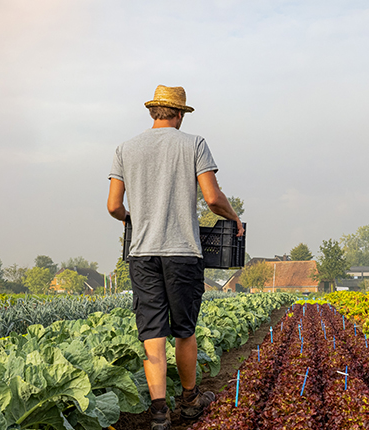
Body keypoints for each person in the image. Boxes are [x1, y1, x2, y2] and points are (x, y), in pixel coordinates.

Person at [107, 85, 243, 430]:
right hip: (182, 252)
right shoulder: (194, 144)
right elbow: (212, 198)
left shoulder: (125, 149)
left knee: (152, 333)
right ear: (179, 114)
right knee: (184, 330)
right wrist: (234, 217)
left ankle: (159, 414)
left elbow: (113, 206)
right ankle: (190, 401)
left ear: (153, 112)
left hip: (142, 253)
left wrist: (131, 220)